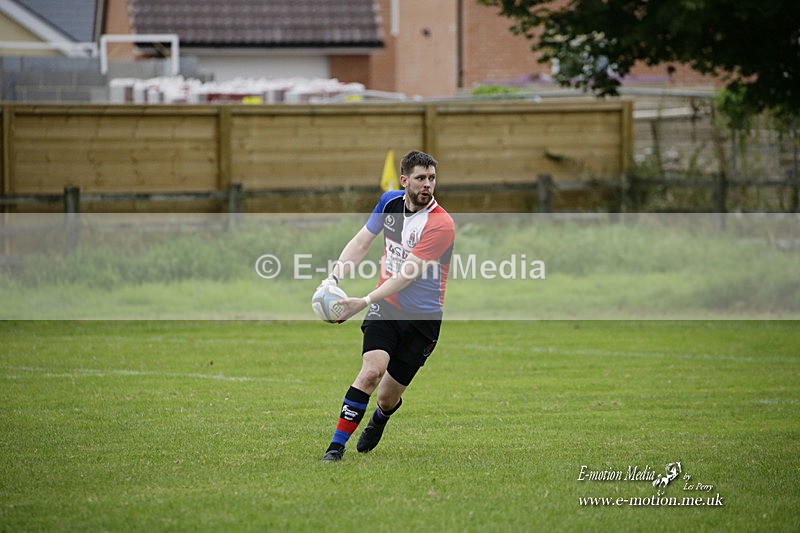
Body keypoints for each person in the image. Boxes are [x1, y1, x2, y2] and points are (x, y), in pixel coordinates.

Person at [318, 150, 455, 462]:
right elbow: (361, 243)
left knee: (387, 396)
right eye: (421, 178)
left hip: (423, 319)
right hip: (387, 308)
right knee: (370, 372)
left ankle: (380, 418)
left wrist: (361, 302)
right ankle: (335, 448)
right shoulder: (389, 203)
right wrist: (333, 280)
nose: (428, 185)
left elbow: (406, 276)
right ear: (404, 180)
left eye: (432, 178)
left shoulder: (441, 224)